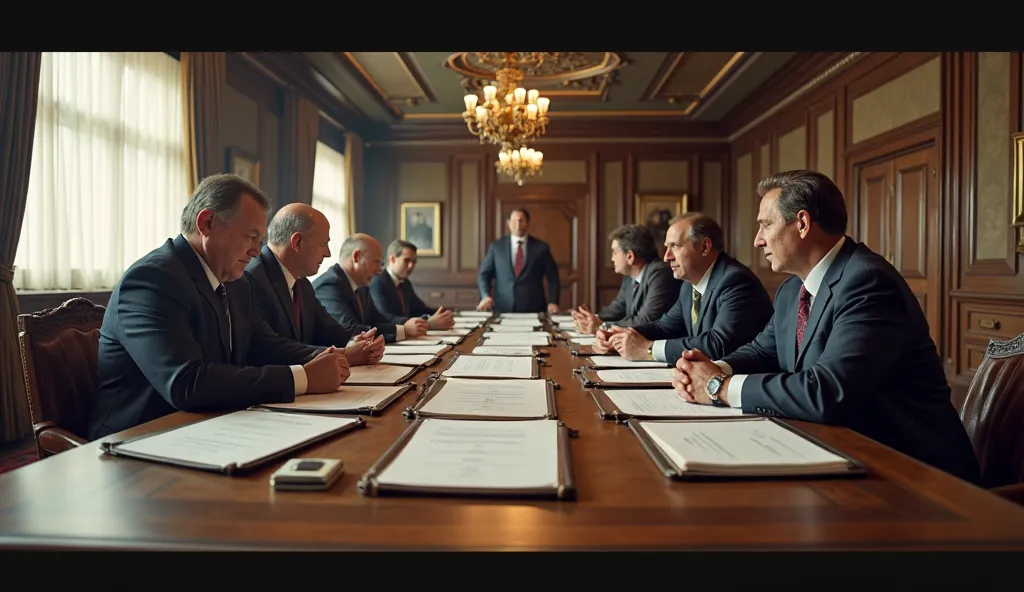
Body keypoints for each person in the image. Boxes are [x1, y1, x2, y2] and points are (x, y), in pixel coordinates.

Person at [671, 170, 980, 484]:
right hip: (838, 455)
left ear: (802, 224)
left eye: (766, 224)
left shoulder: (868, 282)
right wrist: (711, 368)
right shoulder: (793, 290)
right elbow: (765, 350)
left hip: (914, 476)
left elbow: (827, 392)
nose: (757, 239)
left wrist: (718, 388)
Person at [88, 174, 350, 439]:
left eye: (259, 241)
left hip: (212, 425)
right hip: (140, 437)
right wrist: (302, 379)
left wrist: (325, 358)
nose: (256, 252)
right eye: (250, 237)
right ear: (207, 223)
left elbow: (261, 344)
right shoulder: (152, 280)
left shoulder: (235, 281)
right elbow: (187, 383)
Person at [599, 213, 773, 363]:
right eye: (667, 247)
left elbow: (717, 344)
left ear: (704, 247)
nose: (667, 257)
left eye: (674, 246)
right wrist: (620, 334)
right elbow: (664, 326)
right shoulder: (688, 285)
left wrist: (649, 349)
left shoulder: (735, 281)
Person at [244, 203, 384, 364]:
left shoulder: (302, 282)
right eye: (323, 244)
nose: (328, 253)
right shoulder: (252, 278)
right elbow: (267, 346)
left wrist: (356, 341)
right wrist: (343, 354)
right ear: (297, 242)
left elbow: (327, 329)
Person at [312, 233, 429, 343]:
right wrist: (403, 330)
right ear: (356, 257)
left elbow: (378, 320)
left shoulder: (362, 285)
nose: (379, 269)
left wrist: (408, 326)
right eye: (376, 262)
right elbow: (351, 330)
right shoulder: (329, 285)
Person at [570, 224, 679, 334]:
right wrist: (591, 319)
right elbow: (617, 309)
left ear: (630, 256)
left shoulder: (660, 273)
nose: (612, 259)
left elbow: (646, 320)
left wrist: (603, 326)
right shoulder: (629, 277)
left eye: (614, 252)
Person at [476, 208, 561, 314]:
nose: (518, 224)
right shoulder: (496, 247)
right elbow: (483, 275)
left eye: (521, 220)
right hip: (503, 308)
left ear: (527, 223)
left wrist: (553, 301)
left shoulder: (541, 248)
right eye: (514, 220)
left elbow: (553, 277)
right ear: (508, 223)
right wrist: (485, 295)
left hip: (534, 309)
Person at [370, 239, 454, 330]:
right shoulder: (377, 282)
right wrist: (427, 323)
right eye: (406, 260)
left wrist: (443, 313)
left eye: (414, 262)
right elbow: (385, 317)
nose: (411, 266)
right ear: (392, 259)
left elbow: (419, 309)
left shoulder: (405, 282)